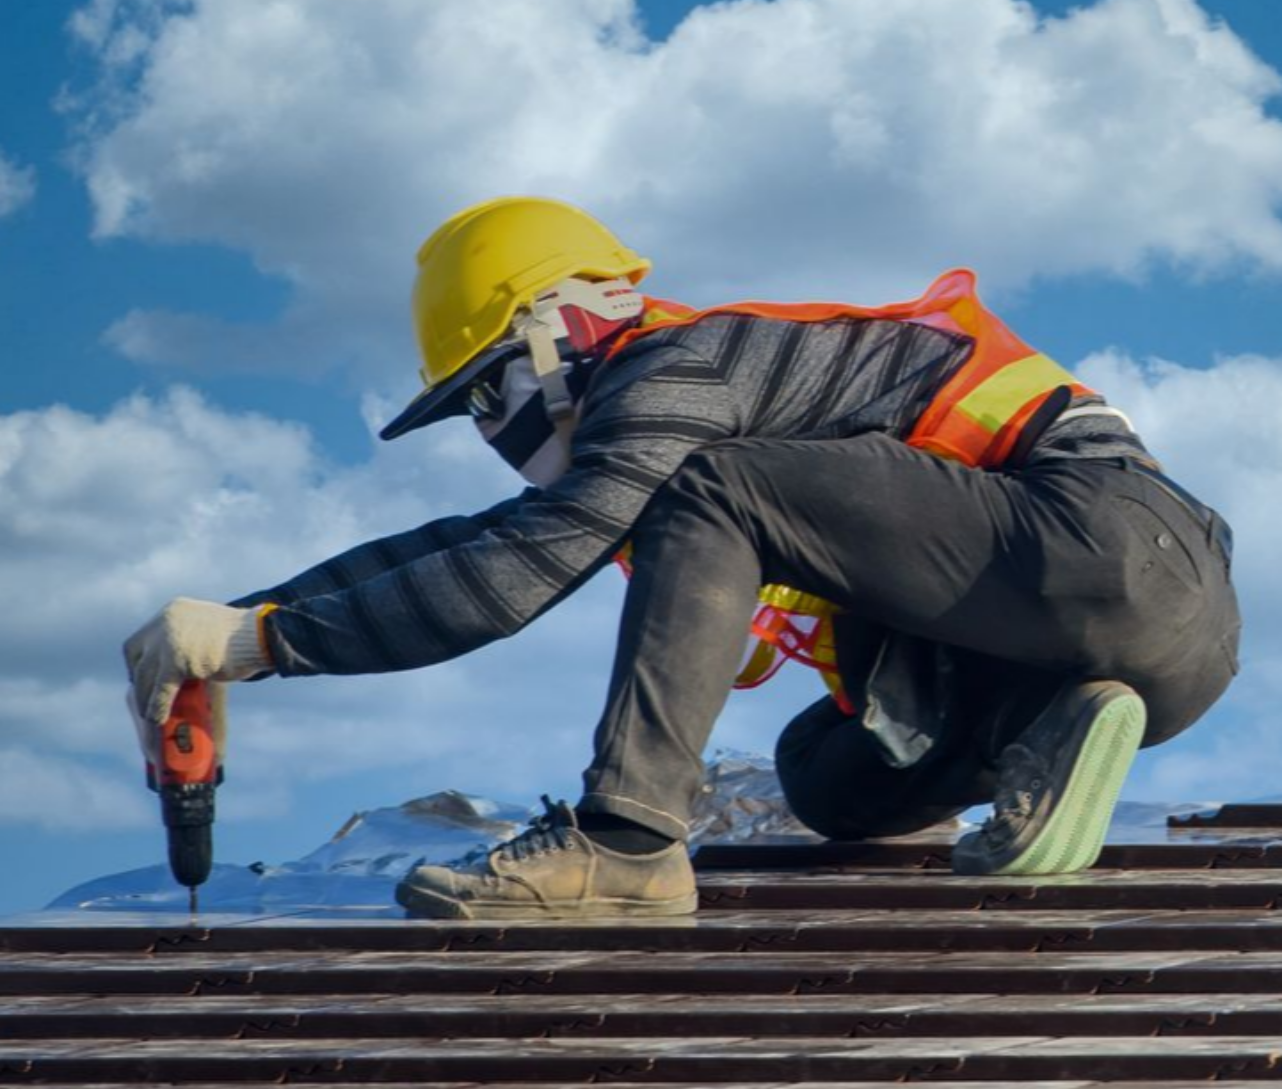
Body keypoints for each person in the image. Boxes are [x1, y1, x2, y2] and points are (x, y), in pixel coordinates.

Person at [124, 196, 1241, 920]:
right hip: (1139, 631)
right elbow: (479, 545)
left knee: (721, 487)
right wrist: (244, 623)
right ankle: (1044, 732)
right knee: (828, 773)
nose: (486, 428)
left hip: (1109, 543)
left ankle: (623, 845)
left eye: (481, 391)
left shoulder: (674, 371)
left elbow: (523, 566)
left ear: (553, 333)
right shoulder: (677, 393)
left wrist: (264, 643)